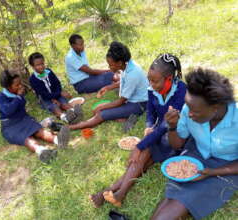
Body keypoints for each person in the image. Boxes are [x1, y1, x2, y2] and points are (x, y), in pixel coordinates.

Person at [89, 53, 186, 208]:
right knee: (141, 159)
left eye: (155, 81)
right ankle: (117, 193)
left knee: (143, 152)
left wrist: (139, 145)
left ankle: (114, 192)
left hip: (175, 136)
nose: (151, 84)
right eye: (149, 79)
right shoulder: (152, 88)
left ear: (168, 78)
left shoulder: (180, 90)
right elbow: (150, 111)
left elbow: (165, 126)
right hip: (158, 131)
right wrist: (148, 125)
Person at [151, 68, 238, 220]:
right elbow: (177, 145)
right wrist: (172, 127)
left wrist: (211, 172)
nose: (188, 113)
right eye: (188, 107)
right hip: (195, 155)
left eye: (195, 111)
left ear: (215, 108)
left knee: (186, 200)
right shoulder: (189, 109)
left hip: (226, 167)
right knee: (172, 195)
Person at [68, 42, 149, 130]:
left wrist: (100, 108)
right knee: (107, 107)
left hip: (138, 105)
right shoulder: (128, 65)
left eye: (111, 65)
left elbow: (121, 101)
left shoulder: (133, 74)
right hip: (131, 99)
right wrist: (108, 87)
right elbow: (124, 82)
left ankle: (71, 127)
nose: (109, 67)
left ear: (119, 63)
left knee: (101, 114)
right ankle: (123, 116)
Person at [0, 70, 70, 163]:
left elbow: (21, 106)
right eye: (17, 85)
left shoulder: (18, 92)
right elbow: (8, 111)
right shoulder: (1, 96)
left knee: (39, 130)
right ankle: (42, 151)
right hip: (10, 125)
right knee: (26, 138)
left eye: (20, 83)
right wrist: (18, 96)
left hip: (23, 119)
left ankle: (58, 140)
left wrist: (19, 96)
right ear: (8, 87)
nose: (20, 86)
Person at [29, 52, 82, 124]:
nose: (41, 66)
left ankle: (73, 111)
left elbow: (57, 83)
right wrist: (53, 98)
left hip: (56, 93)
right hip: (45, 99)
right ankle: (64, 117)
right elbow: (42, 94)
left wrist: (58, 94)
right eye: (38, 65)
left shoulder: (49, 72)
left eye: (42, 64)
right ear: (32, 66)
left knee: (63, 102)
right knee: (54, 107)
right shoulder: (33, 79)